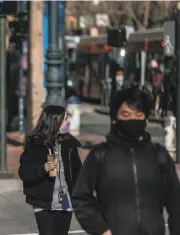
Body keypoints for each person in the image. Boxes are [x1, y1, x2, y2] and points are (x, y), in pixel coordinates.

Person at [72, 87, 180, 235]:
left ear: (146, 118)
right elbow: (81, 198)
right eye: (126, 114)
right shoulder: (100, 155)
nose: (132, 119)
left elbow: (175, 204)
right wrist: (101, 229)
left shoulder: (159, 155)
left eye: (138, 114)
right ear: (115, 118)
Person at [18, 105, 82, 235]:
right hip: (44, 201)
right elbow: (24, 171)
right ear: (55, 122)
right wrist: (44, 168)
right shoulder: (36, 144)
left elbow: (78, 172)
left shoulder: (69, 144)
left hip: (65, 199)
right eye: (65, 119)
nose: (68, 122)